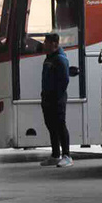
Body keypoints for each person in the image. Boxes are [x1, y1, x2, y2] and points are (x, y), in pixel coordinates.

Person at [40, 34, 73, 168]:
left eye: (46, 42)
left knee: (60, 125)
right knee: (51, 126)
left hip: (57, 99)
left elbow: (64, 80)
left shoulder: (60, 59)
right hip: (47, 97)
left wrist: (56, 96)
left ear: (54, 44)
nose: (44, 45)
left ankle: (67, 156)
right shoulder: (49, 58)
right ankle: (55, 155)